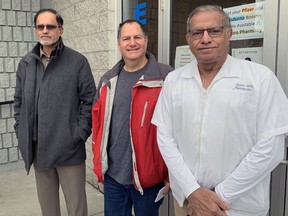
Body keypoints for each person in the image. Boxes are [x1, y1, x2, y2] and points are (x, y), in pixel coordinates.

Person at [152, 4, 288, 216]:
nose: (205, 38)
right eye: (197, 32)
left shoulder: (260, 78)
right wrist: (193, 191)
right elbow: (165, 138)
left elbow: (271, 148)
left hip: (238, 206)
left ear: (229, 34)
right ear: (188, 38)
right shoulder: (174, 80)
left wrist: (219, 194)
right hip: (188, 201)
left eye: (214, 31)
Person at [14, 9, 96, 216]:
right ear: (35, 30)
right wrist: (21, 129)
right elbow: (19, 102)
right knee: (48, 209)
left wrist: (79, 134)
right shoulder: (26, 64)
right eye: (40, 26)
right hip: (39, 151)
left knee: (77, 208)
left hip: (69, 149)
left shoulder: (77, 62)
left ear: (60, 29)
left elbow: (90, 101)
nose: (45, 30)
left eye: (50, 26)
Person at [91, 19, 172, 216]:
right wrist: (99, 165)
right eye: (126, 38)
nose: (132, 43)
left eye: (137, 37)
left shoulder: (165, 76)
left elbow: (177, 128)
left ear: (146, 40)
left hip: (149, 178)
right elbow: (98, 124)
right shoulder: (108, 80)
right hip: (114, 177)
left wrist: (170, 173)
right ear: (119, 43)